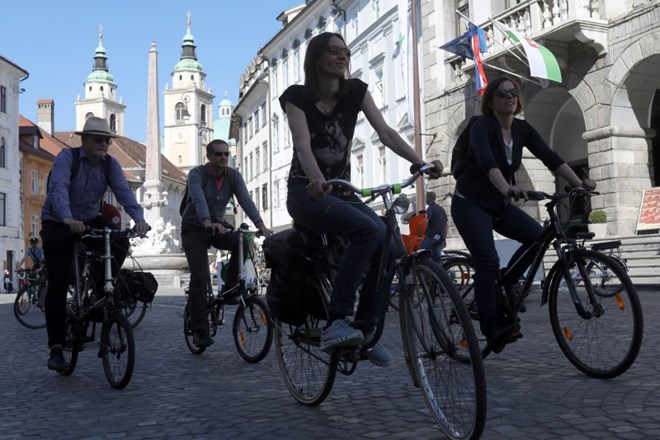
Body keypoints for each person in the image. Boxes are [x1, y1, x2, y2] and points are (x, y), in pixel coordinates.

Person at [280, 32, 443, 366]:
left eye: (346, 51)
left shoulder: (356, 91)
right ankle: (337, 320)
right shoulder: (297, 96)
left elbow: (386, 132)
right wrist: (315, 179)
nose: (343, 56)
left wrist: (419, 161)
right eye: (334, 51)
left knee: (392, 246)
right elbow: (302, 146)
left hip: (341, 191)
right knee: (368, 231)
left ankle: (365, 332)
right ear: (316, 58)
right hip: (305, 191)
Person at [450, 76, 596, 354]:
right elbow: (485, 161)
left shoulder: (522, 129)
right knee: (487, 260)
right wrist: (508, 188)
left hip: (498, 203)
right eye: (502, 92)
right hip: (470, 202)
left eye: (513, 92)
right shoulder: (482, 126)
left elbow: (550, 157)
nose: (509, 96)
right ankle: (491, 326)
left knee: (537, 237)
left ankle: (505, 283)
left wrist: (579, 183)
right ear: (491, 101)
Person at [41, 116, 150, 372]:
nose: (104, 144)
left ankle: (101, 290)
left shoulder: (109, 165)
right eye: (99, 139)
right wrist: (67, 217)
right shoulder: (67, 158)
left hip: (89, 219)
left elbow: (123, 192)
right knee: (57, 282)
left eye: (107, 140)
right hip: (58, 220)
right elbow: (58, 187)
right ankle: (56, 347)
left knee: (120, 241)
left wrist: (140, 219)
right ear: (85, 140)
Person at [181, 139, 273, 348]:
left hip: (218, 225)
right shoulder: (197, 174)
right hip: (195, 227)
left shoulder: (233, 176)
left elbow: (245, 200)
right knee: (200, 277)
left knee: (242, 242)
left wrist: (260, 225)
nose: (223, 157)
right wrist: (207, 221)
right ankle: (199, 330)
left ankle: (231, 287)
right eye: (218, 154)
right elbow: (198, 199)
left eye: (226, 154)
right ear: (209, 157)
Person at [419, 191, 448, 260]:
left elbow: (425, 221)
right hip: (440, 238)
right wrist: (444, 239)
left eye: (426, 198)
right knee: (437, 260)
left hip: (431, 237)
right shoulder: (442, 209)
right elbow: (446, 225)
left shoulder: (430, 208)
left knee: (417, 248)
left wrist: (421, 233)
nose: (426, 199)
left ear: (429, 198)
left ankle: (422, 267)